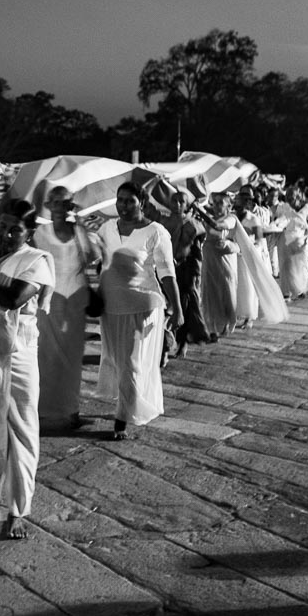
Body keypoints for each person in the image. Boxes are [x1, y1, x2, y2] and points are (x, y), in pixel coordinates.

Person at [0, 200, 54, 540]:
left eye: (15, 229)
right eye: (2, 226)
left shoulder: (37, 260)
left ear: (30, 232)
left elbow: (13, 298)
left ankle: (18, 509)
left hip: (18, 355)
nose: (6, 234)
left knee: (21, 428)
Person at [93, 182, 183, 440]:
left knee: (131, 362)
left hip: (143, 304)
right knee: (115, 359)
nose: (123, 205)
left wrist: (177, 308)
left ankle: (122, 417)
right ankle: (127, 401)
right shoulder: (106, 228)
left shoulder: (156, 231)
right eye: (120, 200)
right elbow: (97, 260)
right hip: (111, 304)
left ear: (142, 203)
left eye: (130, 201)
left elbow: (167, 273)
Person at [34, 185, 97, 428]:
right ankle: (41, 411)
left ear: (71, 206)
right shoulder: (40, 233)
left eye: (65, 203)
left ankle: (71, 412)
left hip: (76, 298)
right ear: (48, 206)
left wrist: (81, 224)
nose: (60, 208)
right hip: (50, 299)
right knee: (46, 356)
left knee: (72, 359)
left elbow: (92, 257)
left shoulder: (80, 231)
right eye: (56, 203)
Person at [160, 190, 208, 358]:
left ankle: (181, 342)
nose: (178, 204)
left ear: (187, 205)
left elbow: (196, 250)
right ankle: (165, 344)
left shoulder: (194, 224)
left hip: (184, 270)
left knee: (184, 307)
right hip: (164, 269)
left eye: (182, 201)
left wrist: (194, 274)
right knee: (165, 308)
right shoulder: (163, 221)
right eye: (174, 201)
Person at [200, 192, 239, 339]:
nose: (216, 206)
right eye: (214, 202)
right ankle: (212, 327)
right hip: (209, 259)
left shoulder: (231, 219)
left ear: (229, 205)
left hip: (225, 262)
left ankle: (226, 323)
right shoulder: (209, 218)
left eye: (219, 203)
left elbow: (218, 226)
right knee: (210, 293)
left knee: (226, 292)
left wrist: (198, 210)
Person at [233, 190, 264, 328]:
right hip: (235, 256)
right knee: (237, 286)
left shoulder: (253, 219)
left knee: (248, 287)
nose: (237, 205)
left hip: (248, 256)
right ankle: (238, 313)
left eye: (240, 202)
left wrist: (248, 248)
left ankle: (249, 316)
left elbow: (259, 240)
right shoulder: (232, 217)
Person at [275, 188, 308, 300]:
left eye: (292, 198)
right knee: (286, 266)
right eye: (288, 198)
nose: (290, 200)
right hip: (286, 240)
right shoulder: (283, 207)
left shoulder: (306, 208)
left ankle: (300, 289)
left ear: (297, 197)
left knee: (302, 265)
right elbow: (278, 220)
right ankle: (286, 292)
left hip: (302, 240)